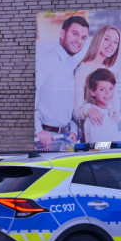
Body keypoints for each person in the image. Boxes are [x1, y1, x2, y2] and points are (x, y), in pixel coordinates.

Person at [35, 16, 89, 149]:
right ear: (63, 33)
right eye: (75, 34)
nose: (79, 41)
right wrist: (38, 130)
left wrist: (73, 129)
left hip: (63, 140)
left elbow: (67, 107)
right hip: (44, 139)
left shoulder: (72, 65)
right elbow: (29, 97)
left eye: (83, 38)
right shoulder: (46, 60)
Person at [73, 24, 121, 130]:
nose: (111, 45)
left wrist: (114, 112)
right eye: (107, 39)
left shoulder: (107, 70)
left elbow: (115, 100)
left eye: (115, 42)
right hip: (89, 131)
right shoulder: (82, 70)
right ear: (98, 40)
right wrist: (89, 109)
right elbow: (75, 112)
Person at [81, 68, 121, 143]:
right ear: (92, 92)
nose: (108, 93)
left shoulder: (110, 113)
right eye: (102, 89)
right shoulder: (95, 117)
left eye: (111, 88)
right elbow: (97, 146)